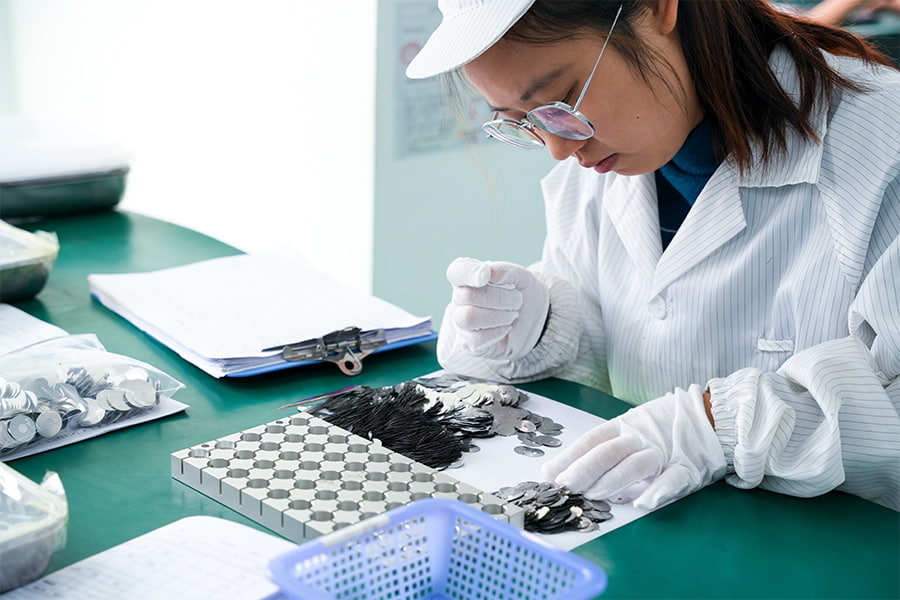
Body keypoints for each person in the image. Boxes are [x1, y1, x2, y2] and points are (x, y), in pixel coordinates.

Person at [406, 0, 899, 511]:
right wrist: (545, 327)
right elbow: (629, 346)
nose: (559, 148)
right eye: (522, 121)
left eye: (562, 101)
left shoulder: (886, 145)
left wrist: (723, 424)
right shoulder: (597, 169)